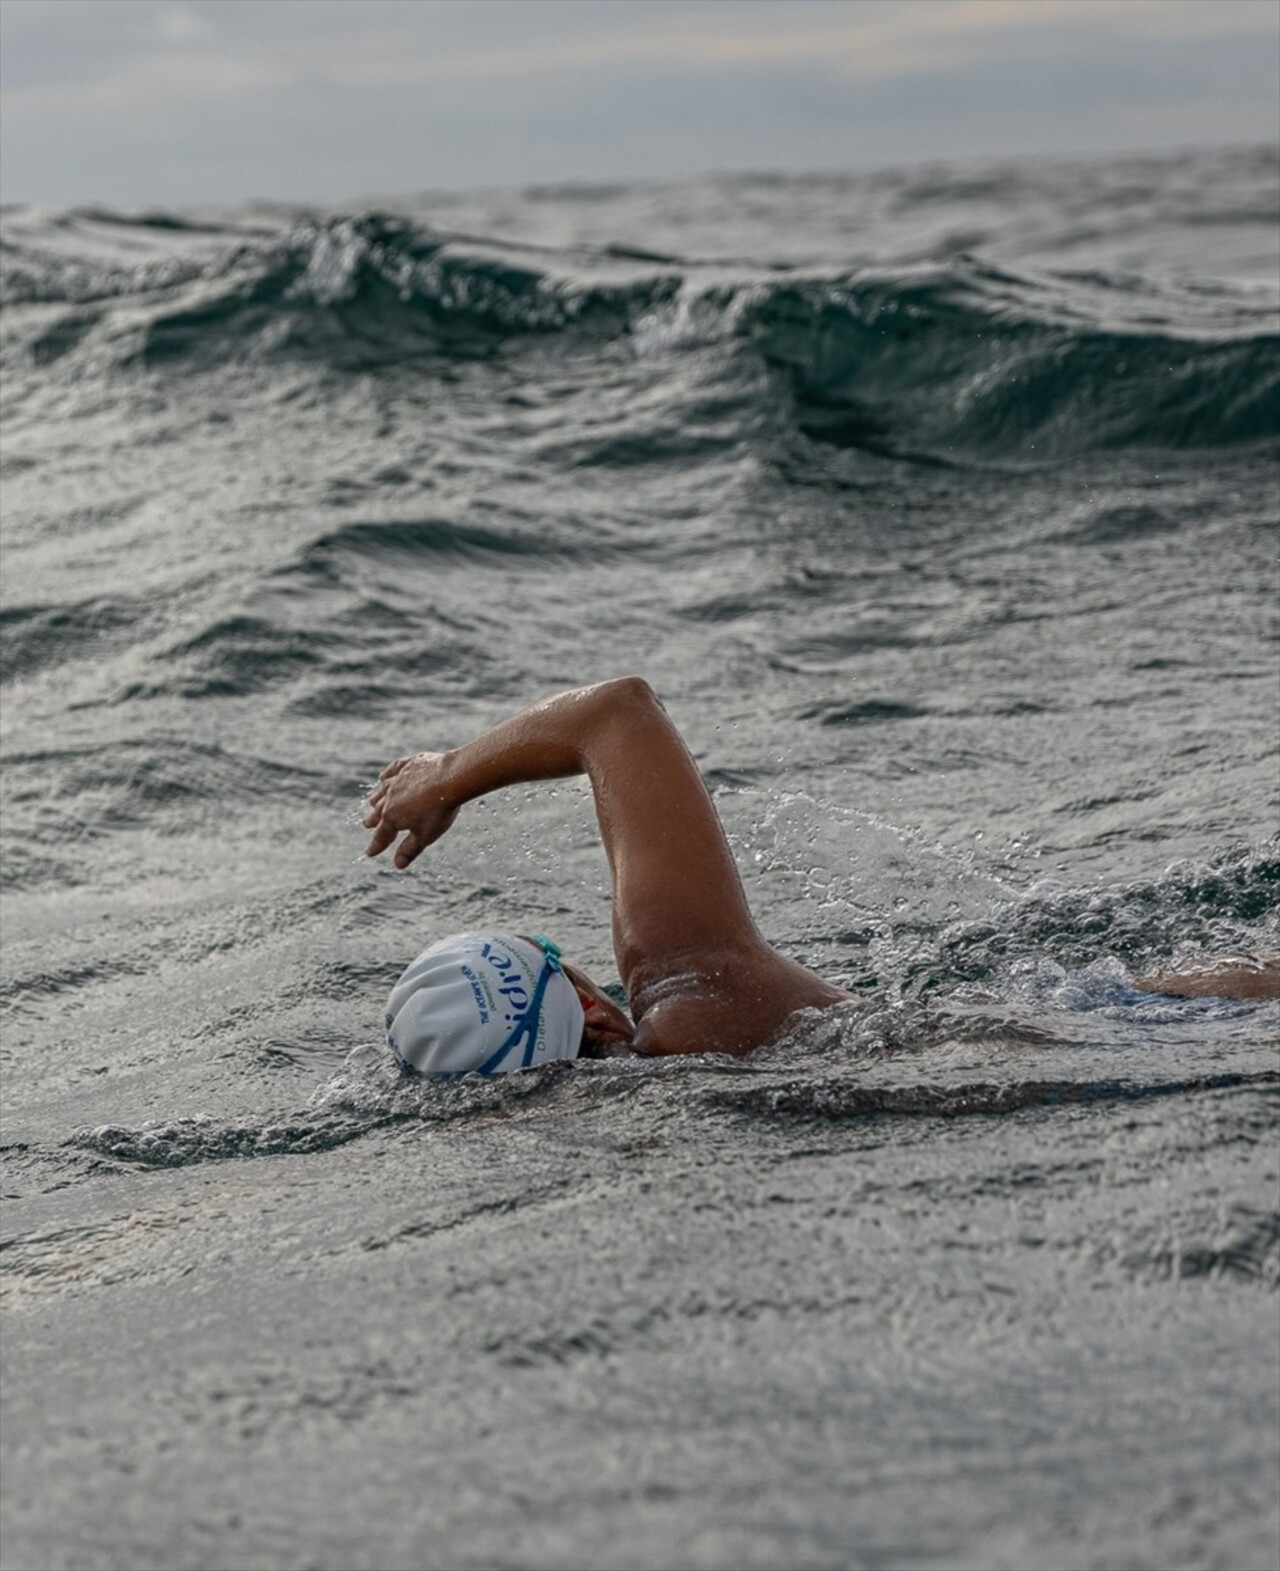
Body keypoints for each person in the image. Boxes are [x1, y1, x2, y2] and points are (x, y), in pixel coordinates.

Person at [362, 677, 1279, 1075]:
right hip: (1161, 1036)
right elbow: (614, 713)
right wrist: (447, 776)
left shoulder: (643, 1114)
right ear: (588, 1005)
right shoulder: (689, 985)